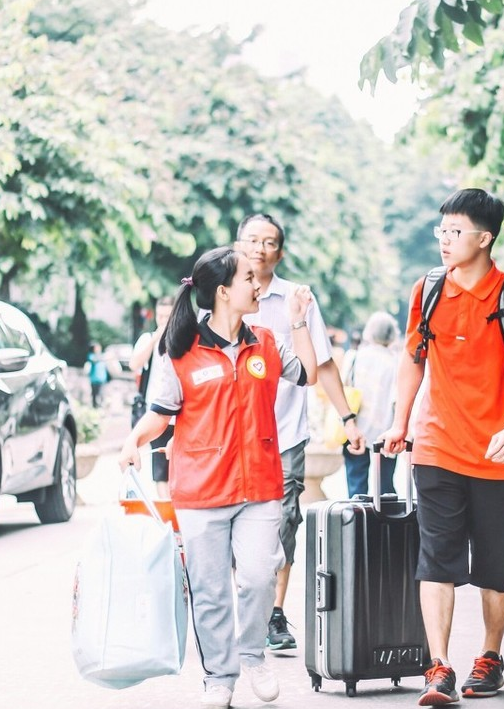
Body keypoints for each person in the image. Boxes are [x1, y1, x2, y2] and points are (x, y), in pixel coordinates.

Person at [117, 246, 317, 709]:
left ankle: (253, 655)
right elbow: (160, 414)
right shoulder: (181, 350)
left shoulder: (265, 342)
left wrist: (299, 320)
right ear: (224, 292)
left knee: (258, 576)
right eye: (249, 277)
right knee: (209, 592)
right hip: (201, 491)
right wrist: (133, 442)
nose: (258, 283)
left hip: (259, 487)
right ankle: (219, 677)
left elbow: (307, 373)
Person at [379, 188, 504, 705]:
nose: (445, 241)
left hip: (496, 452)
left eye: (455, 232)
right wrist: (399, 419)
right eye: (442, 231)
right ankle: (438, 667)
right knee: (437, 559)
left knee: (494, 566)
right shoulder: (428, 289)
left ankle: (489, 658)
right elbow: (413, 358)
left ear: (484, 237)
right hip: (435, 447)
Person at [234, 212, 366, 652]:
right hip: (232, 435)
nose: (259, 248)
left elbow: (322, 364)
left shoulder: (297, 299)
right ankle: (239, 606)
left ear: (280, 251)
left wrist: (348, 419)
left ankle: (273, 614)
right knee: (232, 521)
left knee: (283, 523)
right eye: (251, 239)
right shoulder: (219, 292)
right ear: (238, 244)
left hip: (284, 434)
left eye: (268, 242)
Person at [341, 311, 401, 498]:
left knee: (356, 486)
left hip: (356, 428)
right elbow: (396, 399)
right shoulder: (395, 362)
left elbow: (343, 387)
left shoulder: (354, 357)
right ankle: (386, 526)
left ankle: (358, 525)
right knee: (386, 488)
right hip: (386, 431)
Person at [130, 295, 177, 498]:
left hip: (180, 414)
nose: (163, 320)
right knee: (160, 470)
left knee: (178, 465)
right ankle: (167, 515)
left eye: (168, 316)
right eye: (160, 316)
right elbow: (134, 364)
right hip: (156, 412)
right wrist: (155, 340)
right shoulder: (148, 339)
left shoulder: (183, 338)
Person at [85, 343, 108, 408]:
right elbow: (94, 360)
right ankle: (94, 407)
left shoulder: (102, 356)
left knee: (102, 394)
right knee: (94, 395)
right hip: (94, 379)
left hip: (102, 379)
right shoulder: (91, 356)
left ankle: (101, 407)